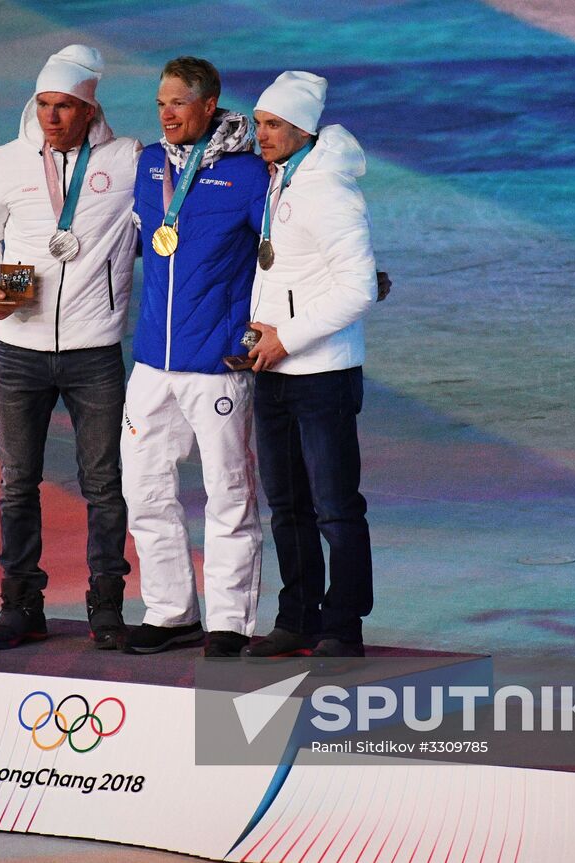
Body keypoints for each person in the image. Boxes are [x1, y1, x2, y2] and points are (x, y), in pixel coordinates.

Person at [0, 45, 141, 650]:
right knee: (17, 482)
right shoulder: (6, 161)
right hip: (19, 348)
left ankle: (107, 606)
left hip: (95, 351)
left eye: (65, 106)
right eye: (44, 104)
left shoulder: (126, 160)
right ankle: (20, 605)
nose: (52, 117)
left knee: (104, 484)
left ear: (91, 110)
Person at [121, 56, 270, 657]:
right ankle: (170, 611)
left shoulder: (247, 173)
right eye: (160, 103)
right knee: (144, 490)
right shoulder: (150, 164)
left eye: (178, 103)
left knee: (228, 494)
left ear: (209, 104)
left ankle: (231, 622)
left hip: (217, 363)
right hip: (152, 361)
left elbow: (279, 254)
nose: (166, 114)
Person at [242, 71, 386, 658]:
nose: (262, 134)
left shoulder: (328, 189)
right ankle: (297, 616)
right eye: (258, 123)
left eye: (273, 124)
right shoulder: (281, 181)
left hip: (321, 373)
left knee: (334, 506)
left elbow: (360, 289)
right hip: (273, 370)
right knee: (287, 506)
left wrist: (288, 338)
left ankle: (343, 624)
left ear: (303, 128)